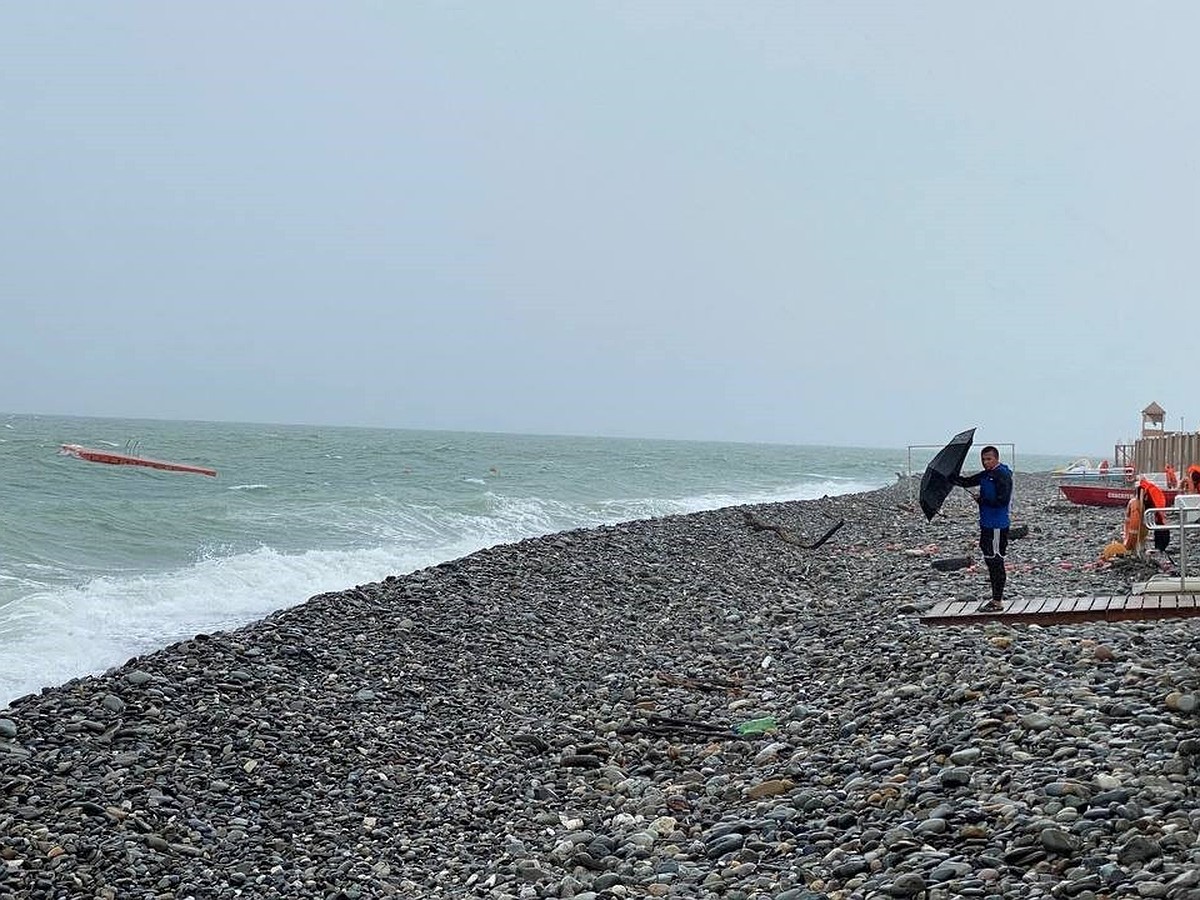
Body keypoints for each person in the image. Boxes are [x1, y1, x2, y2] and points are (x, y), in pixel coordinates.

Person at [952, 445, 1013, 612]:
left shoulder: (1002, 475)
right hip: (986, 524)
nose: (986, 462)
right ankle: (995, 598)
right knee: (988, 557)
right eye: (983, 459)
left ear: (996, 458)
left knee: (996, 560)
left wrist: (982, 500)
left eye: (989, 459)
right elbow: (968, 481)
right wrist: (951, 478)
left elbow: (1002, 500)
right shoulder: (987, 474)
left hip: (997, 525)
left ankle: (997, 601)